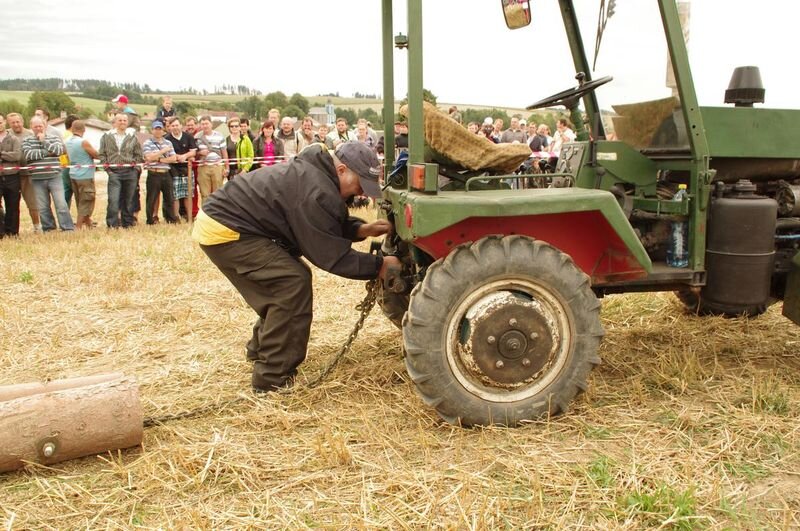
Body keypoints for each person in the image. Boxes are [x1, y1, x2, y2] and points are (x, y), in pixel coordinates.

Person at [191, 141, 401, 393]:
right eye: (360, 185)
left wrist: (360, 229)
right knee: (290, 283)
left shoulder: (316, 176)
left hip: (226, 220)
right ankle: (272, 379)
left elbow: (322, 221)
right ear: (342, 170)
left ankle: (260, 351)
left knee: (278, 284)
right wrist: (379, 266)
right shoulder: (315, 188)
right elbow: (330, 255)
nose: (362, 193)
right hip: (228, 228)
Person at [22, 116, 74, 232]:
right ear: (31, 127)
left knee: (61, 204)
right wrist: (48, 152)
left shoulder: (54, 138)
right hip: (37, 178)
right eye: (35, 126)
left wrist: (44, 141)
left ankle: (67, 227)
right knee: (43, 206)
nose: (38, 128)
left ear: (45, 126)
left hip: (55, 176)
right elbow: (29, 155)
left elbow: (59, 151)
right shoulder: (26, 141)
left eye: (40, 126)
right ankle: (49, 228)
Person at [98, 113, 144, 228]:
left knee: (129, 201)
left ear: (127, 123)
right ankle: (112, 225)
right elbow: (102, 154)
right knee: (113, 200)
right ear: (115, 122)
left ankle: (127, 224)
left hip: (130, 172)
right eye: (120, 120)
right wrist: (108, 170)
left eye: (124, 120)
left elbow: (139, 155)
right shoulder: (106, 136)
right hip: (114, 172)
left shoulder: (132, 137)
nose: (122, 122)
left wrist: (136, 169)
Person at [6, 113, 39, 232]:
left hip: (28, 174)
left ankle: (37, 227)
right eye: (13, 122)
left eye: (18, 122)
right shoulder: (6, 135)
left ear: (22, 121)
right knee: (12, 204)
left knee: (32, 202)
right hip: (11, 175)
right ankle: (10, 229)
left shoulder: (31, 134)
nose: (16, 124)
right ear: (8, 123)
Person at [65, 120, 100, 229]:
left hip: (73, 174)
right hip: (85, 176)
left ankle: (89, 224)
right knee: (86, 201)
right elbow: (96, 155)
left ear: (72, 129)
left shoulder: (67, 141)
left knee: (79, 200)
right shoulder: (83, 142)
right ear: (84, 130)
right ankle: (79, 226)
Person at [142, 121, 178, 225]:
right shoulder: (147, 143)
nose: (158, 131)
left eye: (160, 129)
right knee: (152, 198)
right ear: (152, 130)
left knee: (169, 198)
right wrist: (163, 151)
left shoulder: (168, 143)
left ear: (163, 130)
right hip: (154, 173)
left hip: (166, 172)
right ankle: (150, 220)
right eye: (156, 129)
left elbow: (173, 158)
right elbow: (149, 157)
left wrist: (159, 159)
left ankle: (170, 219)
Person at [165, 117, 197, 222]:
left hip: (187, 169)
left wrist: (185, 156)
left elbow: (193, 152)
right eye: (173, 126)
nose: (175, 127)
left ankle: (189, 217)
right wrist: (176, 157)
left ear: (181, 126)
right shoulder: (167, 139)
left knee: (188, 194)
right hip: (173, 170)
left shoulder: (188, 137)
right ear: (170, 127)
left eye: (177, 125)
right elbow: (166, 154)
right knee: (175, 196)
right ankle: (176, 218)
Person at [194, 115, 228, 204]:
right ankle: (206, 211)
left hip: (217, 166)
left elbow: (224, 153)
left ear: (211, 124)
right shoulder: (197, 137)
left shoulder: (220, 136)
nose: (205, 126)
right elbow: (194, 153)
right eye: (203, 124)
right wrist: (200, 153)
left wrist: (227, 168)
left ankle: (218, 211)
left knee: (218, 193)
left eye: (206, 123)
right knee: (205, 193)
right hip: (203, 167)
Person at [0, 114, 22, 237]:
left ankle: (12, 232)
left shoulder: (14, 139)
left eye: (0, 122)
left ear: (4, 122)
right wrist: (8, 155)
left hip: (12, 176)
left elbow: (17, 156)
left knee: (13, 205)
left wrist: (1, 154)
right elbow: (12, 155)